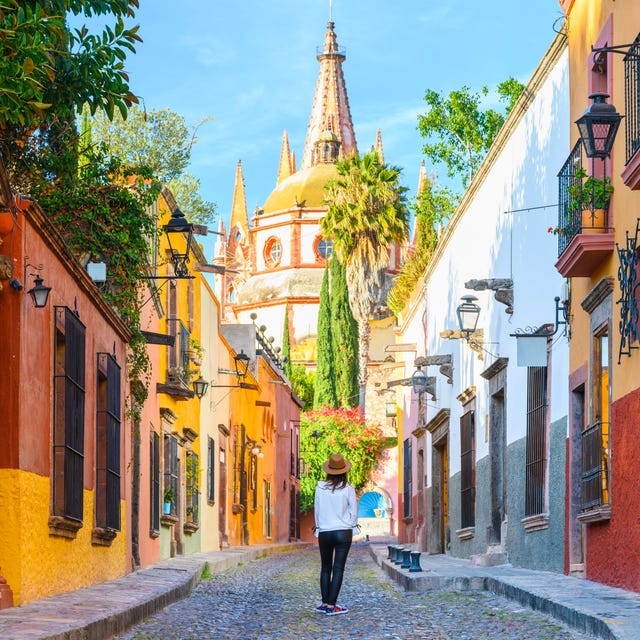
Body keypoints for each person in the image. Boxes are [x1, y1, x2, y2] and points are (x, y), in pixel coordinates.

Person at [313, 452, 358, 616]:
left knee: (325, 567)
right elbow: (354, 511)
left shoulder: (319, 487)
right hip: (343, 532)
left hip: (324, 531)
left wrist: (319, 528)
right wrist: (352, 525)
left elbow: (317, 511)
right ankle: (332, 606)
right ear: (344, 471)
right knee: (338, 568)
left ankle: (324, 603)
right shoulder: (348, 488)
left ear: (328, 470)